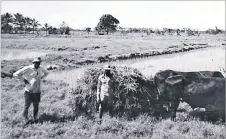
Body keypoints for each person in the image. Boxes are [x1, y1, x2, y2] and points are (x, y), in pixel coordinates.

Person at [13, 57, 49, 123]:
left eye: (38, 62)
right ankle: (25, 119)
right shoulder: (28, 68)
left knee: (36, 106)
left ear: (40, 63)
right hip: (29, 91)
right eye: (36, 62)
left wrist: (42, 77)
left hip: (37, 91)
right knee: (27, 106)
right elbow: (15, 74)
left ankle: (35, 118)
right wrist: (23, 80)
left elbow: (47, 72)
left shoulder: (41, 68)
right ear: (33, 62)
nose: (37, 64)